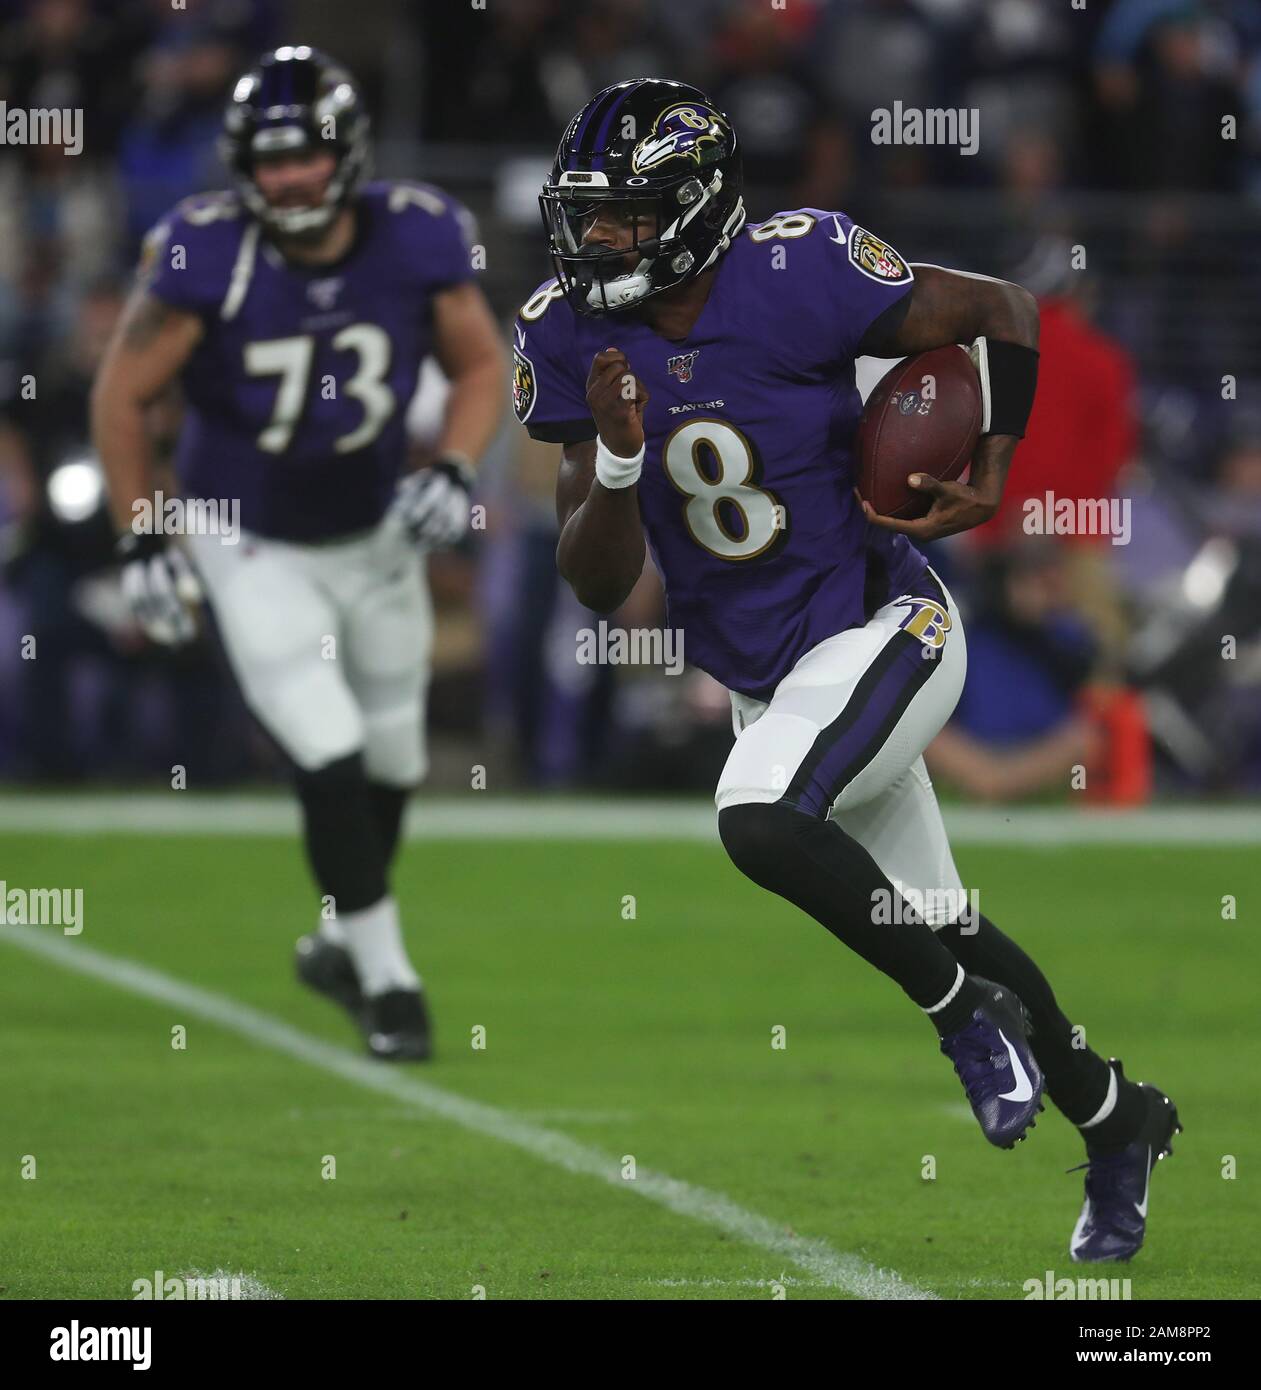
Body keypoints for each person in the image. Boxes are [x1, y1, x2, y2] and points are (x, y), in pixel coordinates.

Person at [514, 78, 1179, 1263]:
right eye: (589, 214)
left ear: (694, 206)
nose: (595, 240)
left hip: (886, 627)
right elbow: (595, 584)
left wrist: (990, 464)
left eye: (622, 215)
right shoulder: (571, 331)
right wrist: (616, 465)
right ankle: (1120, 1116)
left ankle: (961, 1021)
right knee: (935, 918)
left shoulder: (799, 267)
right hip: (771, 676)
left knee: (758, 816)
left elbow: (1004, 311)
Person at [91, 45, 506, 1061]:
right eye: (267, 161)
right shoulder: (204, 251)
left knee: (395, 758)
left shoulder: (415, 236)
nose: (287, 179)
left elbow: (481, 362)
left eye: (305, 157)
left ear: (346, 154)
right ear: (241, 167)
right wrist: (143, 528)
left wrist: (453, 465)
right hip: (249, 534)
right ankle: (391, 981)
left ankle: (335, 942)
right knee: (326, 749)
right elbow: (121, 395)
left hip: (372, 535)